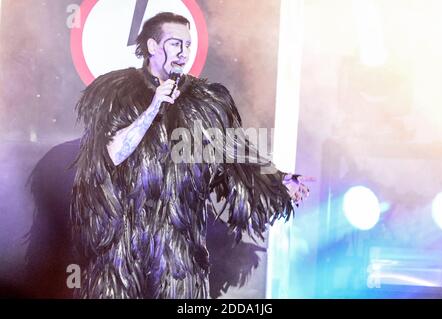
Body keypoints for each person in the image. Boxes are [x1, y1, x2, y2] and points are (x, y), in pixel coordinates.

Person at [71, 12, 309, 299]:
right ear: (152, 47)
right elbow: (111, 154)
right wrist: (153, 107)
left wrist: (279, 181)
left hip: (177, 243)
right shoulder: (117, 92)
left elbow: (237, 156)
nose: (184, 53)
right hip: (123, 243)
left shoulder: (206, 101)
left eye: (187, 44)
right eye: (175, 44)